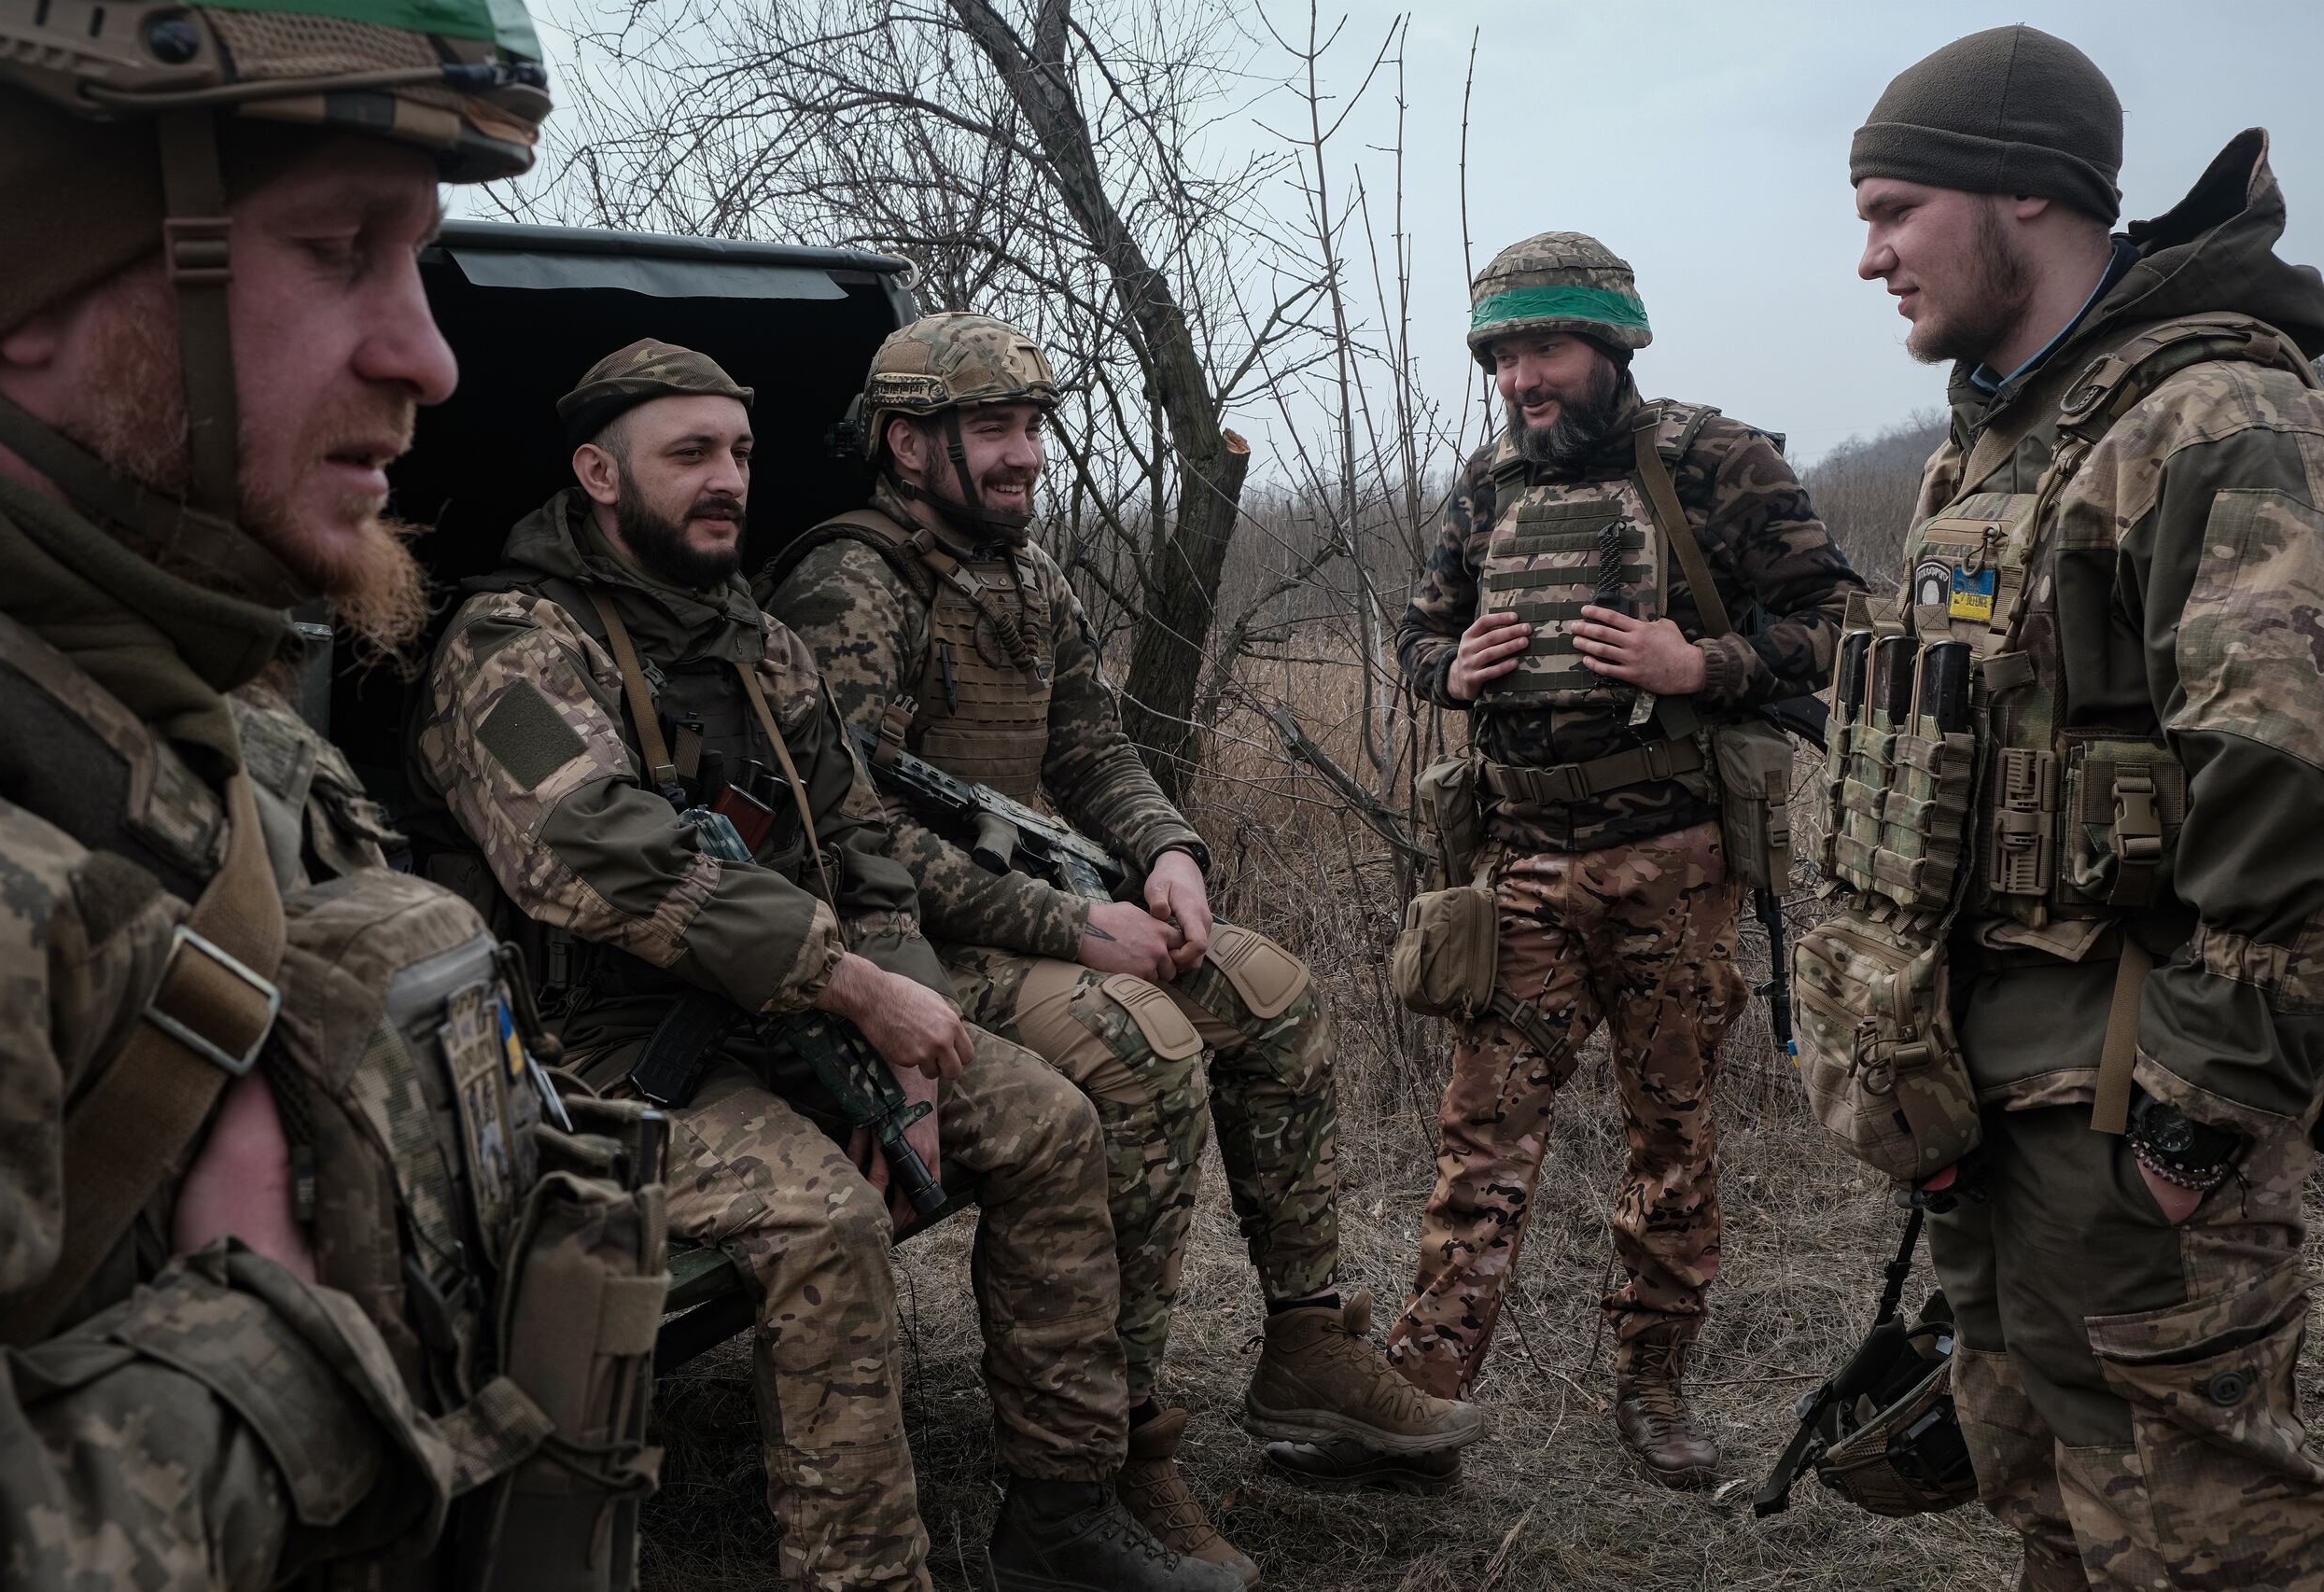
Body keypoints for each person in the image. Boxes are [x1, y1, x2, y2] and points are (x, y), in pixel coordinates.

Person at [0, 7, 667, 1590]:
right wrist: (262, 1377)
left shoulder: (215, 718)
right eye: (339, 245)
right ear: (15, 290)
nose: (431, 354)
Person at [410, 338, 1243, 1592]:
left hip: (786, 1014)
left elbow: (861, 841)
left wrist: (902, 1024)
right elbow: (591, 851)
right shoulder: (508, 648)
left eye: (739, 453)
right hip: (601, 1056)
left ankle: (1063, 1519)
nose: (727, 480)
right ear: (597, 471)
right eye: (689, 453)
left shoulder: (749, 638)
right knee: (827, 1219)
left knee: (1054, 1125)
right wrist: (852, 986)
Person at [764, 311, 1482, 1566]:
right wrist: (1073, 926)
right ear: (905, 442)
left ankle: (1306, 1349)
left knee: (1272, 992)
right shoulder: (846, 587)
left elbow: (1094, 748)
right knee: (1143, 1045)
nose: (1027, 454)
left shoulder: (1024, 574)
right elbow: (850, 834)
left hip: (1035, 916)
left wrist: (1166, 854)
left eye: (1036, 427)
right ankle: (1123, 1444)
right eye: (994, 429)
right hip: (912, 948)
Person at [1841, 25, 2324, 1586]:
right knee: (2048, 1501)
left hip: (2136, 1117)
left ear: (2027, 195)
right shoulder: (2001, 439)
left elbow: (2293, 781)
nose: (1869, 258)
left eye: (1896, 208)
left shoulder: (2218, 419)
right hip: (1992, 1104)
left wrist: (2200, 1114)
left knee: (2205, 1544)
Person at [1386, 233, 1865, 1487]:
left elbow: (1834, 623)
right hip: (1525, 870)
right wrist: (1451, 666)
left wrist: (1699, 666)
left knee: (1672, 1139)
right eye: (1501, 355)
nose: (1520, 379)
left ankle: (1653, 1387)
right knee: (1479, 1140)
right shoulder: (1486, 488)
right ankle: (1422, 1396)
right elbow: (1415, 632)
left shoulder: (1718, 460)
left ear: (1614, 345)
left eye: (1543, 349)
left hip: (1674, 868)